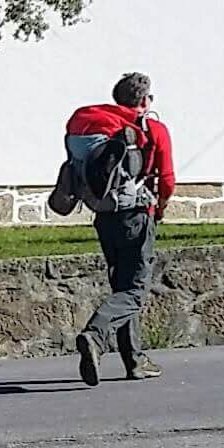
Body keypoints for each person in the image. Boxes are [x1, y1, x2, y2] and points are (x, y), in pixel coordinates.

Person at [69, 72, 174, 386]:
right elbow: (167, 179)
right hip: (138, 215)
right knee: (135, 291)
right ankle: (95, 335)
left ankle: (135, 361)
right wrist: (162, 208)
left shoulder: (95, 123)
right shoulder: (151, 128)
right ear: (144, 100)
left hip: (104, 215)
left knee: (122, 286)